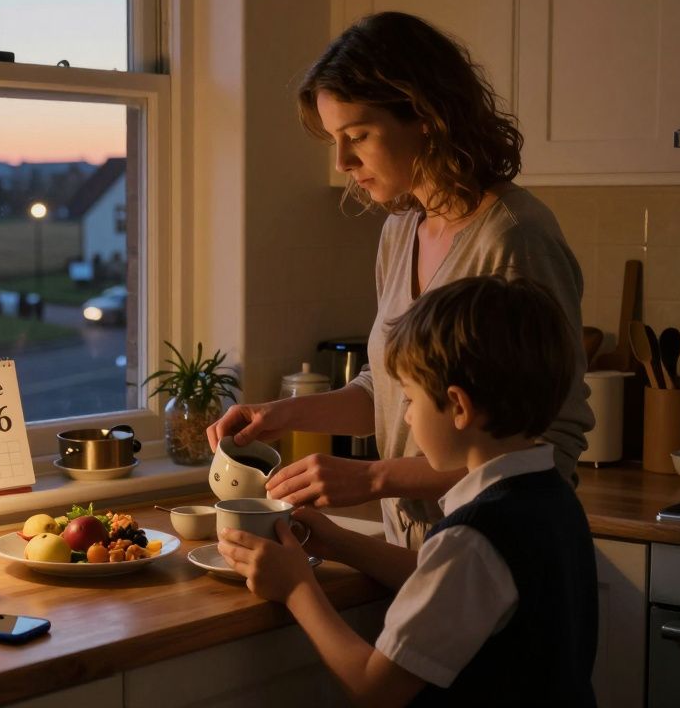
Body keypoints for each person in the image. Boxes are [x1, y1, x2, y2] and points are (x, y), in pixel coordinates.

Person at [205, 11, 593, 547]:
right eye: (334, 140)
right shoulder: (399, 231)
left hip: (497, 551)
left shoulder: (512, 237)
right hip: (415, 552)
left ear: (427, 115)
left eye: (358, 135)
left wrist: (370, 478)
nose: (342, 160)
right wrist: (281, 416)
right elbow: (388, 392)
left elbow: (548, 445)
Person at [218, 276, 598, 707]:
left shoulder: (471, 539)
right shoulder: (552, 498)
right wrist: (342, 543)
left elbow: (374, 687)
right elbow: (451, 584)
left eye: (410, 399)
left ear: (458, 406)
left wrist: (296, 588)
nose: (407, 418)